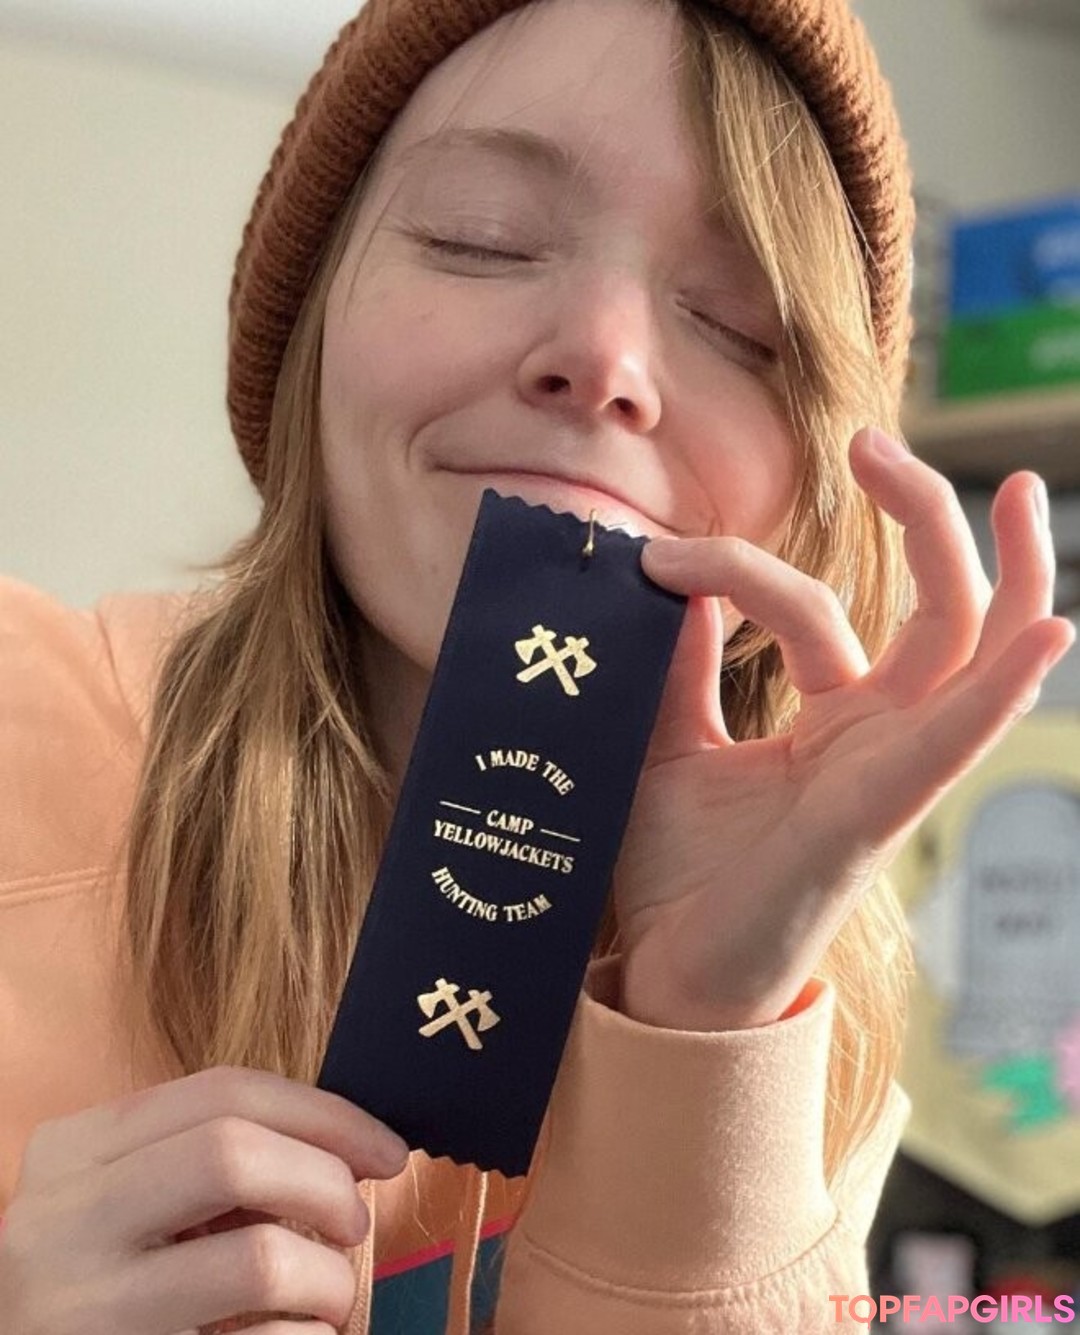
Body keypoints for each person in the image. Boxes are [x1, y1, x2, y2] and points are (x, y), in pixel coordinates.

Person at [0, 0, 1072, 1330]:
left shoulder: (819, 1029)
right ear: (311, 325)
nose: (606, 360)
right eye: (482, 238)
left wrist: (702, 1029)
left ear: (811, 493)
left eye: (740, 324)